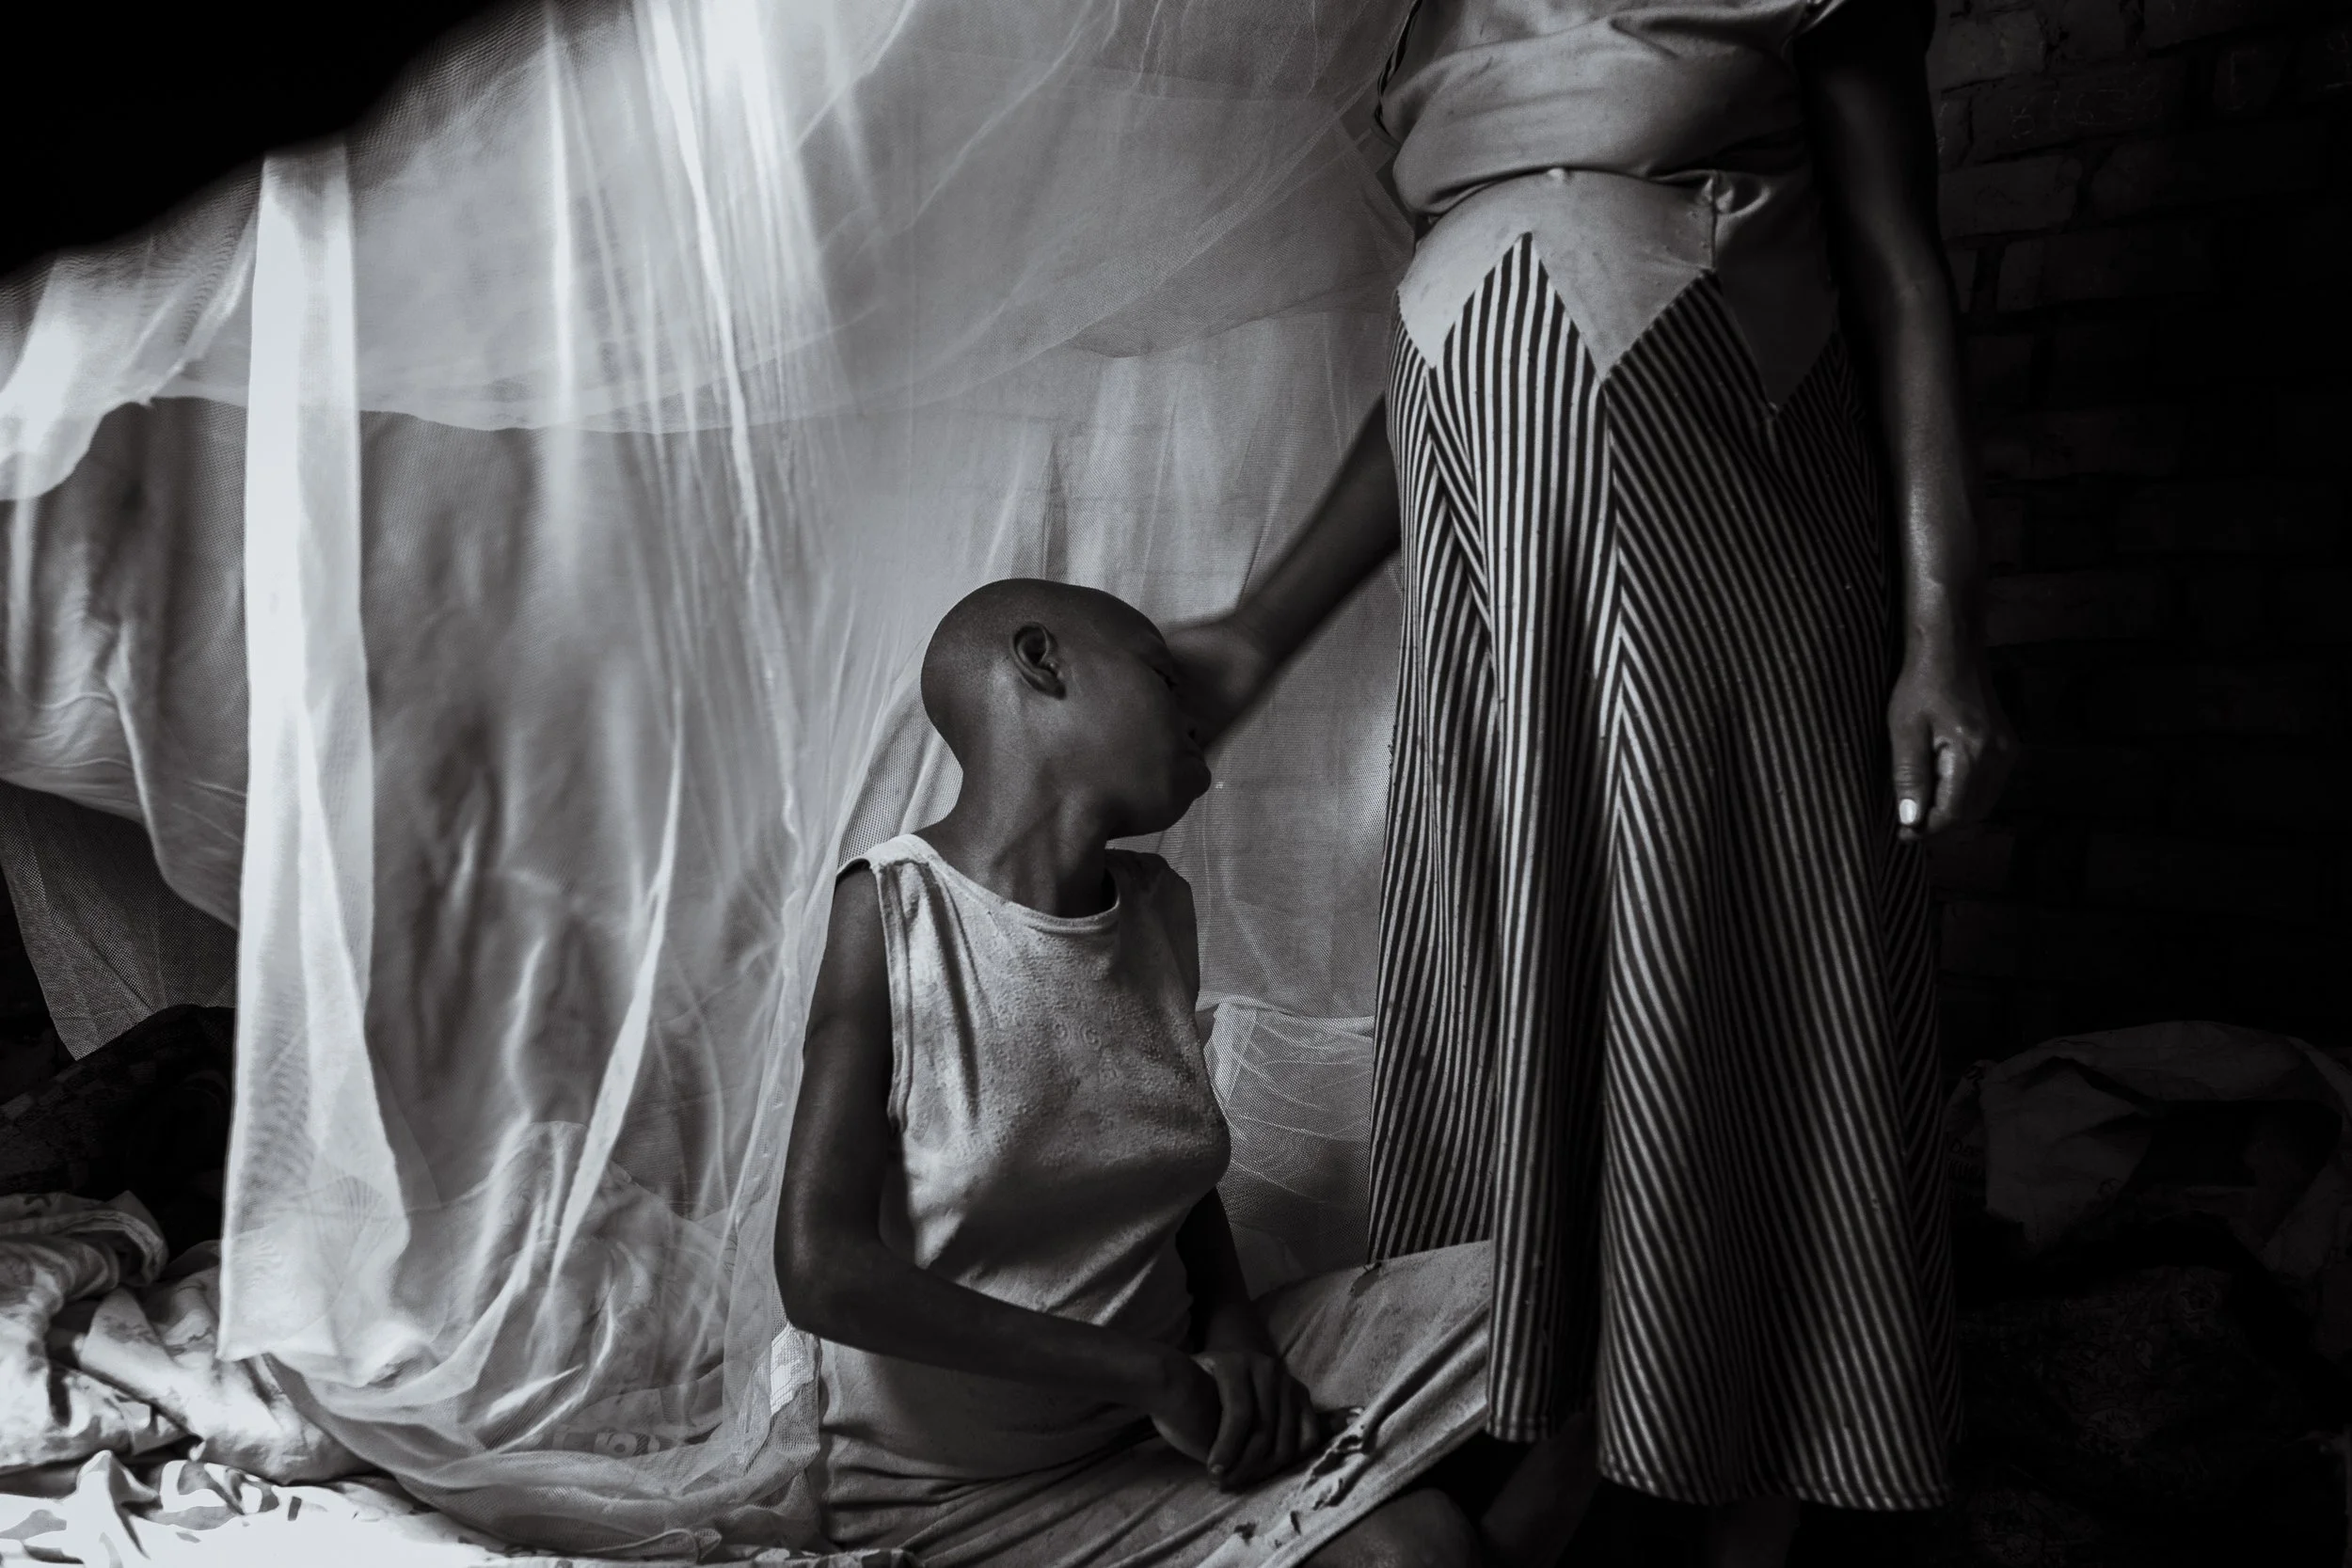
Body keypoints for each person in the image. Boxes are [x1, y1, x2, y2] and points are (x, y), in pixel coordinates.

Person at [1170, 0, 2017, 1563]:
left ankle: (1764, 1466)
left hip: (1719, 524)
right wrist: (1262, 625)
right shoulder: (1426, 21)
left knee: (1729, 966)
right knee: (1527, 982)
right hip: (1495, 580)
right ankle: (1555, 1418)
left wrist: (1945, 631)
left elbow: (1902, 275)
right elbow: (1454, 338)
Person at [776, 579, 1588, 1568]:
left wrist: (1236, 1331)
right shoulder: (895, 909)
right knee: (1415, 1548)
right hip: (966, 1493)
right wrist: (1149, 1375)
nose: (1202, 707)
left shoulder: (1157, 908)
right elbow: (822, 1272)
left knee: (1575, 1294)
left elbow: (1167, 1178)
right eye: (1164, 672)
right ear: (1041, 660)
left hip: (1185, 1398)